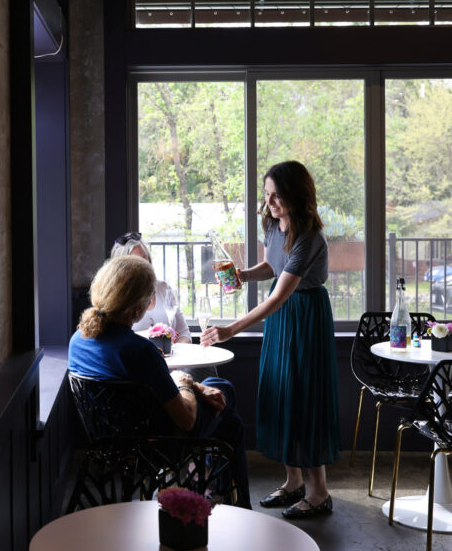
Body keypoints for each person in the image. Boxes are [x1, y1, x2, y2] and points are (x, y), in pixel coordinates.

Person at [201, 160, 341, 519]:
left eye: (277, 195)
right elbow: (272, 267)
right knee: (281, 393)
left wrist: (231, 329)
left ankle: (319, 492)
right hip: (282, 322)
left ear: (297, 194)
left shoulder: (309, 237)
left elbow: (279, 295)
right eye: (267, 195)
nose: (271, 202)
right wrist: (242, 275)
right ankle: (293, 482)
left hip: (305, 316)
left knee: (303, 396)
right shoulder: (273, 225)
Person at [69, 254, 251, 508]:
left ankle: (223, 498)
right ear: (137, 309)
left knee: (229, 420)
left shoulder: (78, 340)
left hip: (109, 445)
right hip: (157, 447)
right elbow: (186, 421)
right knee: (225, 392)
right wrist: (186, 381)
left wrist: (189, 384)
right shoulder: (141, 352)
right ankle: (231, 503)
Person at [109, 231, 190, 342]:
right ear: (122, 268)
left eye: (144, 258)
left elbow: (184, 332)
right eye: (136, 261)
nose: (143, 264)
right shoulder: (115, 298)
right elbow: (115, 340)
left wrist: (174, 352)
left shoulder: (163, 288)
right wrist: (150, 336)